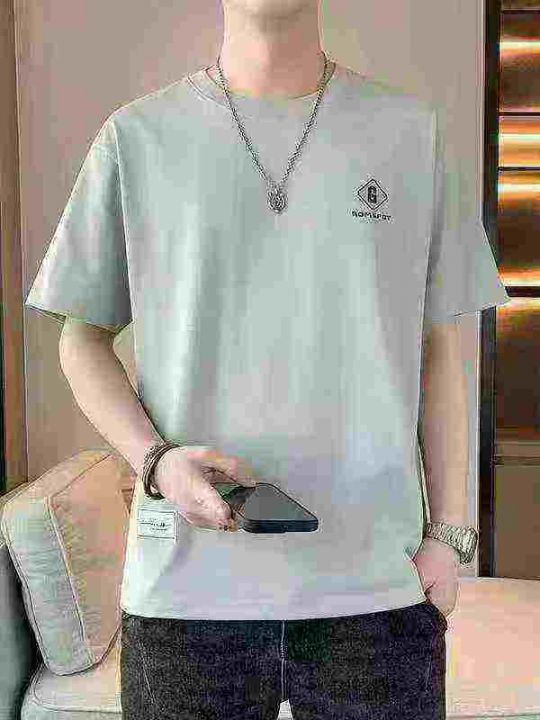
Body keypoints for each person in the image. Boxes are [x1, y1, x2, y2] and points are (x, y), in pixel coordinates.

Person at [24, 0, 510, 718]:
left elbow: (439, 346)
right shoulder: (138, 138)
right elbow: (80, 338)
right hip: (187, 594)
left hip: (377, 594)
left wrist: (449, 537)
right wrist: (157, 462)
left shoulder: (410, 135)